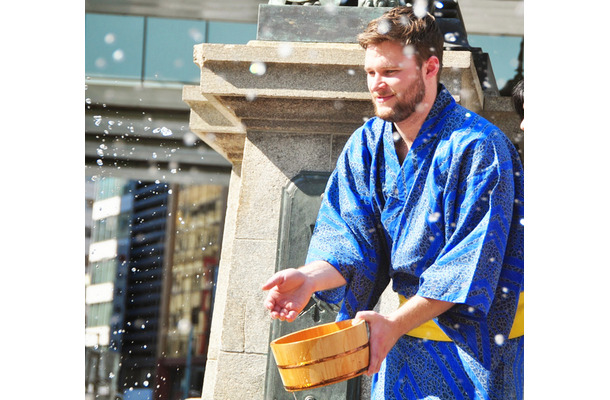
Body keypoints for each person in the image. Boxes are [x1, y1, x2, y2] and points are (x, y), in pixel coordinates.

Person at [263, 6, 524, 400]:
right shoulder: (367, 144)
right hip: (402, 341)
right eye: (371, 73)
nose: (377, 85)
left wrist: (393, 325)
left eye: (390, 72)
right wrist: (311, 278)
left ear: (430, 68)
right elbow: (350, 236)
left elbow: (469, 266)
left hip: (479, 350)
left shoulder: (480, 147)